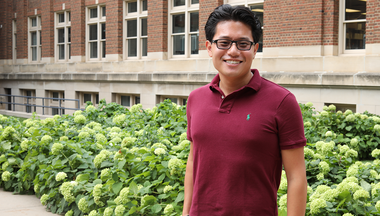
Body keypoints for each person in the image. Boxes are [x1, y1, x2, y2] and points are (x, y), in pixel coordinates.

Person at [183, 4, 307, 216]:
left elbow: (296, 177)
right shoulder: (196, 99)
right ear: (209, 47)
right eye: (224, 42)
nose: (233, 51)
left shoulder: (282, 101)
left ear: (255, 49)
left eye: (243, 43)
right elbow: (195, 160)